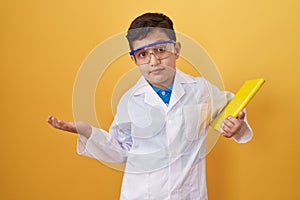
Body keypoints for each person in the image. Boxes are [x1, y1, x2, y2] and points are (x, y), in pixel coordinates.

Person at [48, 12, 253, 200]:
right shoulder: (130, 101)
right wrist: (88, 132)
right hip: (142, 194)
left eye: (160, 49)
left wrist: (238, 128)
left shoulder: (200, 90)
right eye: (143, 54)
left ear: (177, 49)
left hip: (188, 194)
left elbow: (232, 109)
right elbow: (120, 150)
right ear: (134, 59)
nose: (154, 60)